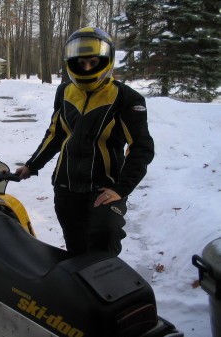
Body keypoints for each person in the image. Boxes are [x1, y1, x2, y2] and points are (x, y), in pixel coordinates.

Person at [16, 27, 154, 257]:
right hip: (66, 186)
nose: (87, 68)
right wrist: (32, 165)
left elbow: (142, 147)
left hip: (103, 188)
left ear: (106, 61)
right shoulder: (64, 91)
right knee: (75, 247)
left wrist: (121, 188)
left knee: (104, 246)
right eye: (81, 62)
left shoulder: (127, 97)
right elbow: (56, 133)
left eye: (93, 62)